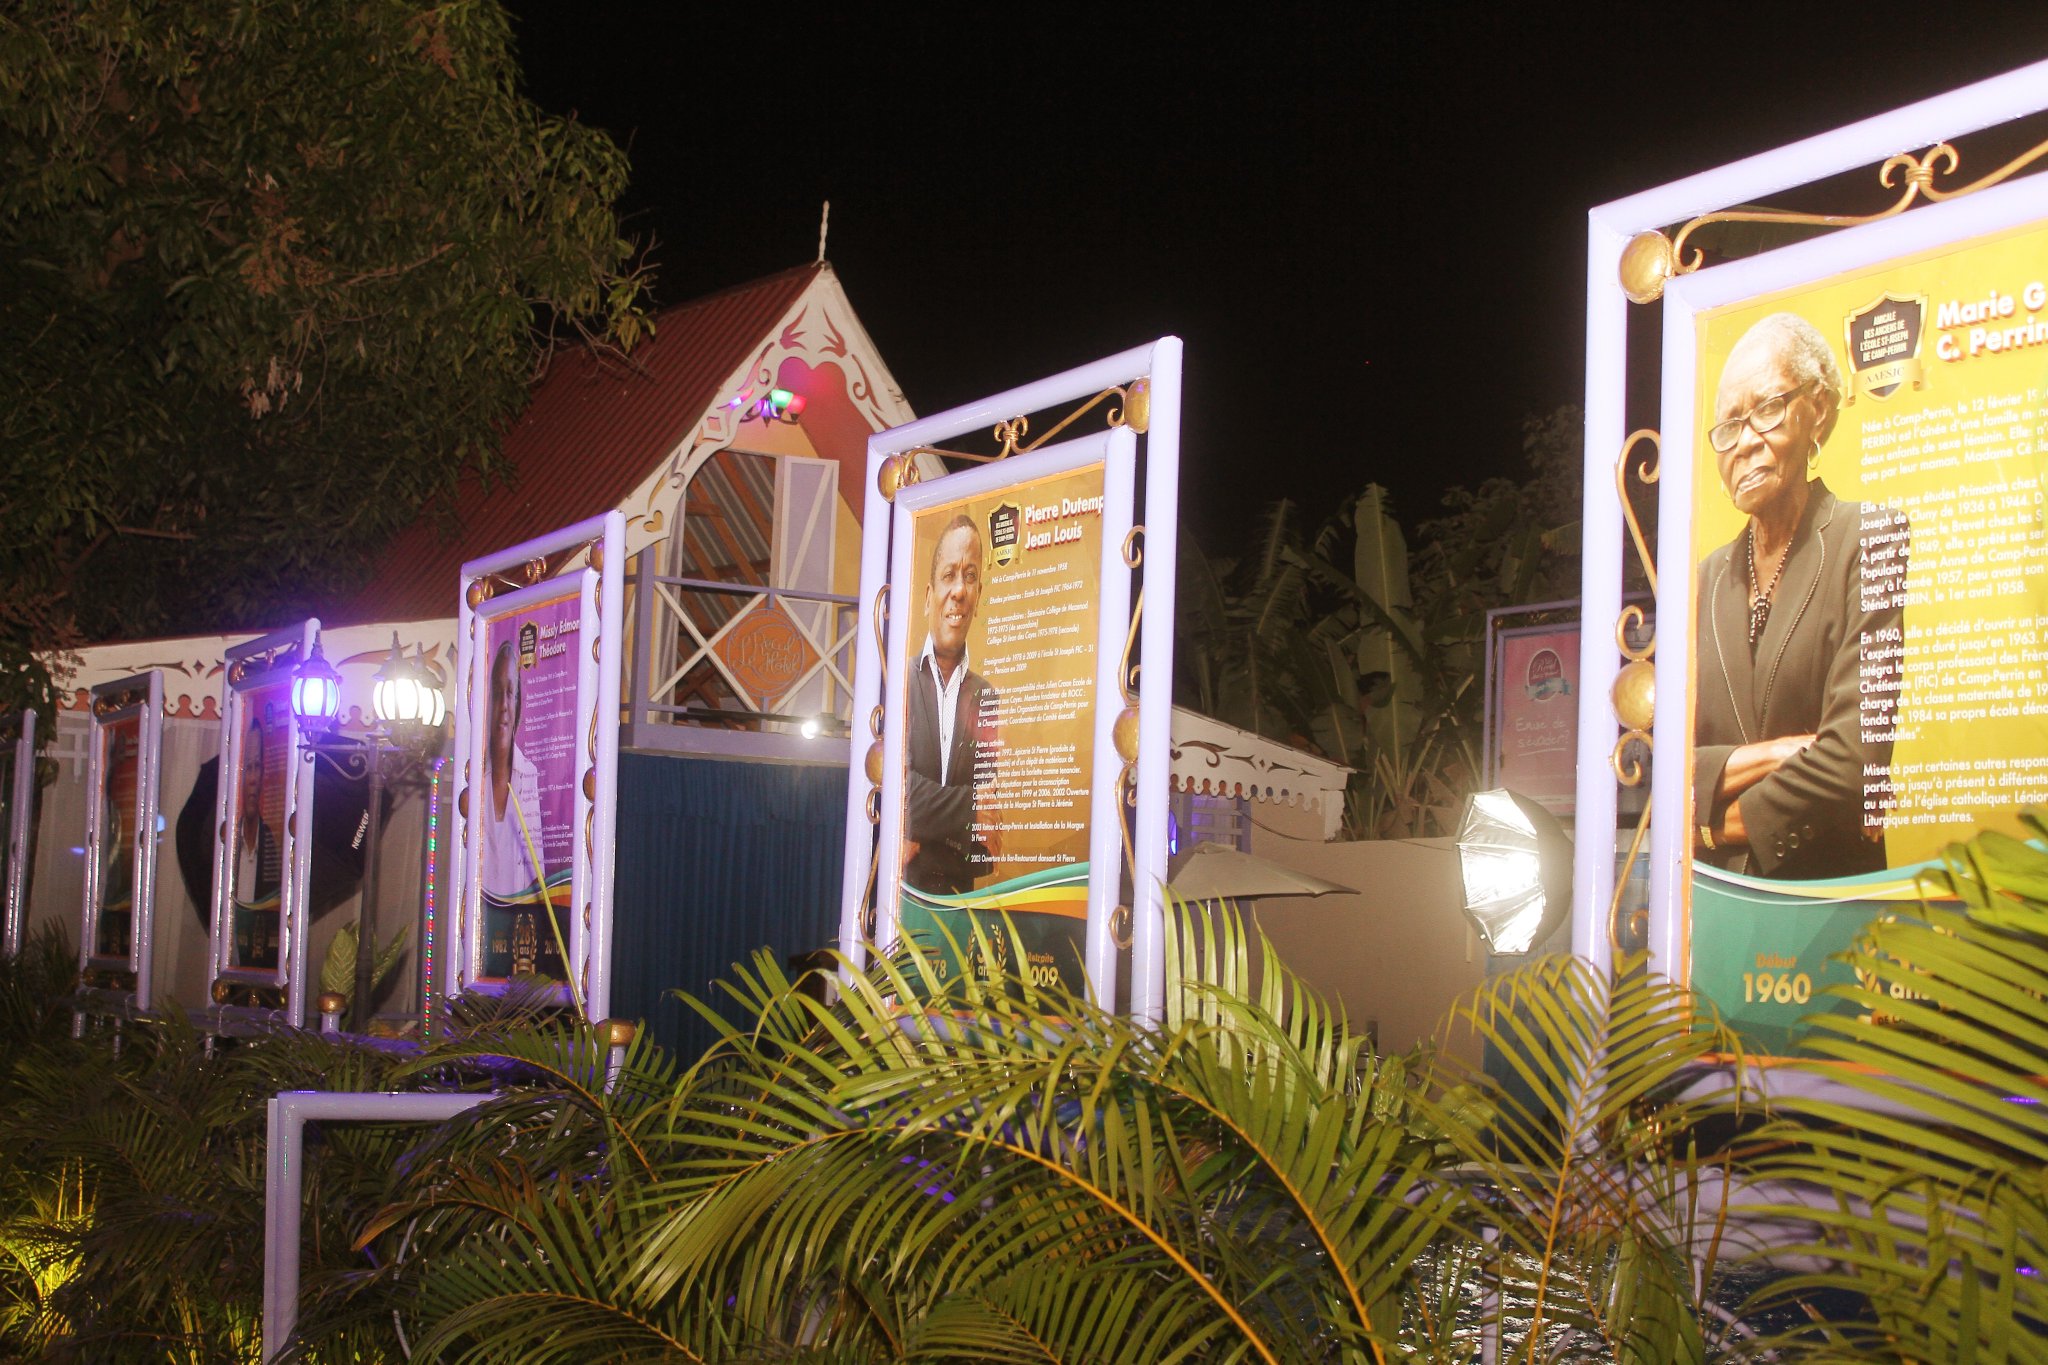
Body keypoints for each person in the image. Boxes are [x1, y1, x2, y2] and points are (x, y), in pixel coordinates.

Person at [1693, 312, 1907, 880]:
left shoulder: (1870, 538)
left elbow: (1854, 761)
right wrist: (1786, 751)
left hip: (1824, 908)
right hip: (1712, 903)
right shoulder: (1703, 582)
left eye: (1766, 410)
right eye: (1728, 425)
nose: (1744, 443)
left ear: (1818, 411)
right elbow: (1662, 772)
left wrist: (1712, 824)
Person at [903, 513, 999, 895]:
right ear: (928, 597)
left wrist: (921, 831)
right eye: (949, 575)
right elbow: (900, 792)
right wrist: (968, 809)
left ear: (978, 597)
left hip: (961, 896)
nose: (959, 590)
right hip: (902, 890)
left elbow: (988, 819)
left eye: (971, 576)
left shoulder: (987, 697)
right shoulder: (899, 684)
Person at [481, 640, 545, 902]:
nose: (504, 705)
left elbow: (536, 868)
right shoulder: (472, 777)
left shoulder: (527, 775)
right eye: (497, 693)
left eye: (510, 692)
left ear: (518, 705)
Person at [232, 716, 278, 906]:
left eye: (256, 767)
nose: (252, 779)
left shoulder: (270, 844)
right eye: (246, 768)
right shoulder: (226, 841)